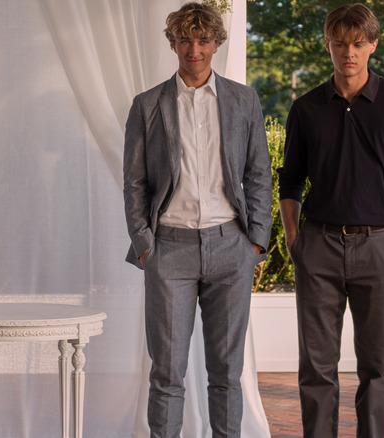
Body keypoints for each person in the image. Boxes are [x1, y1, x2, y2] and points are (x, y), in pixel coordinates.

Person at [122, 3, 272, 436]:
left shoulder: (244, 100)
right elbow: (135, 183)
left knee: (227, 373)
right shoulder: (147, 105)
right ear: (173, 43)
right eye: (185, 40)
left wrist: (255, 242)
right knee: (167, 374)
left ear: (217, 44)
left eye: (204, 40)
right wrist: (146, 245)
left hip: (232, 248)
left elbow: (257, 173)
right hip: (169, 251)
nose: (194, 49)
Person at [279, 4, 384, 437]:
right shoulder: (306, 108)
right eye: (339, 43)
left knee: (377, 367)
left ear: (372, 44)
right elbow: (290, 181)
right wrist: (296, 241)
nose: (348, 53)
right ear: (328, 45)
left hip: (380, 248)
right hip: (319, 247)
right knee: (316, 367)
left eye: (357, 44)